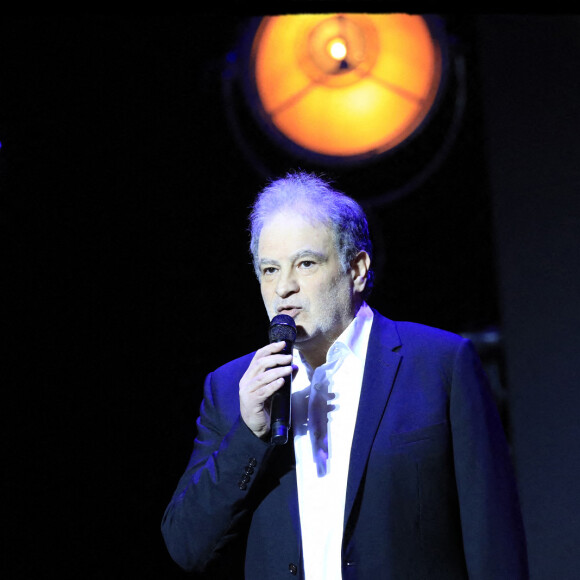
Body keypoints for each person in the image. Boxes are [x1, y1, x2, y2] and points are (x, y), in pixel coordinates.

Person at [161, 171, 529, 579]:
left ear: (356, 269)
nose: (284, 287)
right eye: (269, 270)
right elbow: (186, 546)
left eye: (305, 264)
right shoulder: (233, 389)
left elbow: (492, 540)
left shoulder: (440, 364)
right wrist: (249, 434)